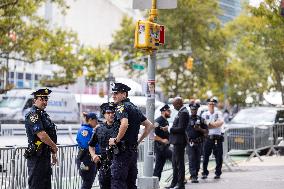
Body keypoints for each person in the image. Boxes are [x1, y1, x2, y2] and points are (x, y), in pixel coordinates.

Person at [108, 82, 154, 189]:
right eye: (113, 93)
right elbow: (149, 125)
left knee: (118, 182)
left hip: (121, 152)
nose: (113, 96)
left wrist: (116, 140)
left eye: (116, 93)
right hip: (132, 152)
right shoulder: (134, 108)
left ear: (124, 94)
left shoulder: (121, 107)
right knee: (130, 183)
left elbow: (124, 124)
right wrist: (138, 141)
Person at [24, 88, 58, 189]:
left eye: (46, 99)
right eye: (42, 99)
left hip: (45, 156)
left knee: (46, 185)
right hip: (36, 157)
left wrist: (53, 153)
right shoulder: (33, 115)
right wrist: (54, 146)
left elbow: (50, 134)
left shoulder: (44, 115)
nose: (44, 102)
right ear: (35, 100)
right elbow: (42, 135)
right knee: (36, 185)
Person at [89, 102, 117, 189]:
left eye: (113, 113)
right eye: (108, 113)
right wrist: (93, 155)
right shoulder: (99, 129)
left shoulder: (120, 127)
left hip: (118, 164)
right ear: (104, 114)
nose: (111, 115)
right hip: (104, 165)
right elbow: (91, 145)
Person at [165, 97, 189, 189]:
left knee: (179, 164)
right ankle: (174, 183)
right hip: (177, 141)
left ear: (179, 104)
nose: (174, 107)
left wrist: (170, 128)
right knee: (175, 164)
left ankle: (180, 184)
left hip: (179, 142)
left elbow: (181, 129)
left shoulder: (184, 112)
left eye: (174, 105)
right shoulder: (181, 112)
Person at [201, 97, 224, 179]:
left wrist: (210, 125)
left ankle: (218, 173)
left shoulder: (218, 113)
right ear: (208, 105)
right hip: (208, 138)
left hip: (217, 138)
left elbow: (220, 123)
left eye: (213, 104)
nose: (211, 105)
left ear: (215, 105)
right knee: (205, 156)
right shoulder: (204, 114)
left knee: (218, 156)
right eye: (210, 104)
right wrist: (215, 124)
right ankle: (204, 173)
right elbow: (203, 126)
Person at [185, 101, 208, 183]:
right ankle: (193, 176)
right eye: (192, 109)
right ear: (190, 110)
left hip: (199, 143)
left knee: (197, 160)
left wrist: (199, 129)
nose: (193, 111)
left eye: (195, 109)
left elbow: (206, 132)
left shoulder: (201, 120)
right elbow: (183, 130)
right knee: (191, 159)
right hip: (190, 143)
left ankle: (195, 174)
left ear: (197, 110)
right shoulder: (186, 119)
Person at [76, 112, 99, 189]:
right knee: (87, 181)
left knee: (89, 181)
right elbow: (87, 145)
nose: (97, 123)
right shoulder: (84, 130)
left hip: (90, 159)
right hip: (85, 159)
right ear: (90, 120)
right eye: (96, 121)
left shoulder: (91, 129)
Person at [153, 104, 172, 180]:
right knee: (175, 159)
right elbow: (152, 135)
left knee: (159, 166)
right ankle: (179, 179)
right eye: (168, 111)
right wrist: (162, 140)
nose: (170, 112)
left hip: (164, 147)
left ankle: (155, 183)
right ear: (164, 112)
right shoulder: (158, 121)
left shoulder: (165, 121)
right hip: (160, 147)